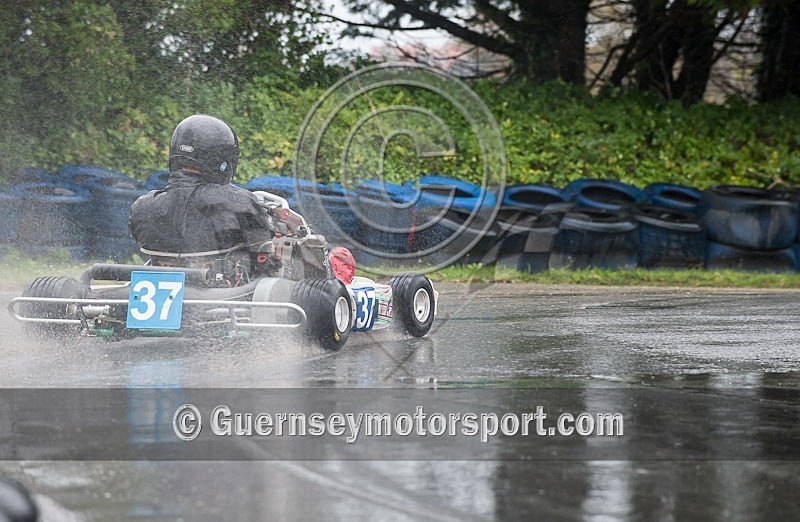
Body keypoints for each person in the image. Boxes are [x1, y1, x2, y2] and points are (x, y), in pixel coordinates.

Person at [128, 114, 273, 273]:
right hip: (220, 291)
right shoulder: (238, 202)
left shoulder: (142, 206)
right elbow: (263, 244)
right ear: (222, 160)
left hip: (156, 285)